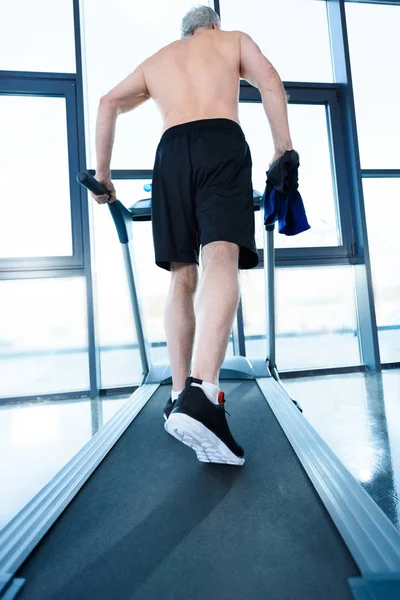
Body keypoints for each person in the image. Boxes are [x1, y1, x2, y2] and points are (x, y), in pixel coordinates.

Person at [91, 5, 293, 465]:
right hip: (220, 141)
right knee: (220, 257)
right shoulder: (232, 39)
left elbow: (107, 103)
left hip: (170, 153)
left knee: (182, 276)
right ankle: (203, 392)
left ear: (183, 33)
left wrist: (103, 177)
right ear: (212, 27)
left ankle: (179, 394)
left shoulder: (158, 59)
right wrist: (284, 149)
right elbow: (270, 80)